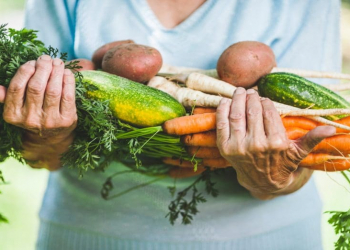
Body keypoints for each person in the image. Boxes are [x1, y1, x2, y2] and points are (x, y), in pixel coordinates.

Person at [0, 0, 341, 249]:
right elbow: (42, 157)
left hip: (266, 240)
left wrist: (272, 179)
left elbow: (310, 136)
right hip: (90, 236)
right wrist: (47, 137)